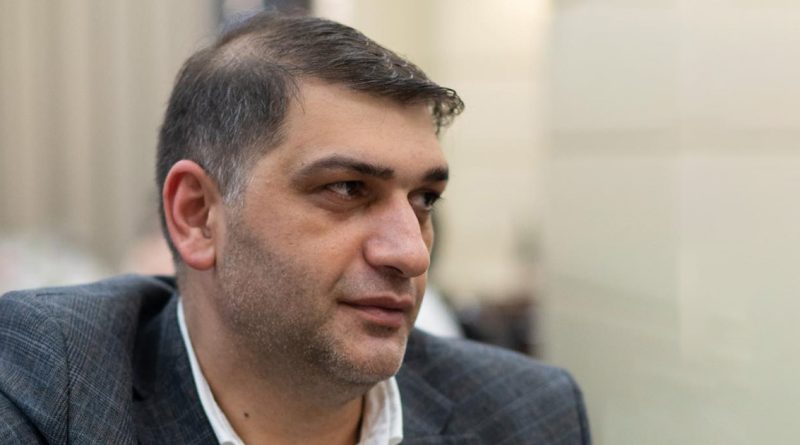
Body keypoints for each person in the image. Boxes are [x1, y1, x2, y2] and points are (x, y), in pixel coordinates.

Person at [0, 13, 590, 445]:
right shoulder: (53, 383)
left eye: (424, 200)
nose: (412, 253)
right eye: (347, 188)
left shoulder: (528, 415)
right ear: (197, 216)